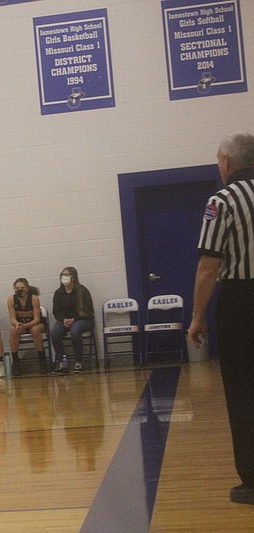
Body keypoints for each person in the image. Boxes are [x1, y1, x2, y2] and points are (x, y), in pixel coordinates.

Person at [188, 132, 254, 506]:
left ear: (227, 162)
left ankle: (252, 480)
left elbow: (208, 269)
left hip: (242, 302)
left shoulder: (223, 200)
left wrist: (198, 317)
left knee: (243, 391)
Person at [49, 266, 94, 375]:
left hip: (83, 319)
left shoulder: (82, 291)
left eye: (66, 275)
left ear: (73, 277)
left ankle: (78, 362)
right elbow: (56, 311)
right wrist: (63, 319)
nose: (64, 277)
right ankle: (62, 362)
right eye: (62, 275)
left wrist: (74, 319)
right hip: (64, 320)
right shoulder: (58, 293)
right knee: (54, 332)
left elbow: (88, 311)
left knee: (75, 331)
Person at [6, 278, 48, 375]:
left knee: (35, 329)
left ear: (27, 289)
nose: (20, 290)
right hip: (21, 324)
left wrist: (25, 325)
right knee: (13, 330)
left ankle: (42, 358)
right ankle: (15, 360)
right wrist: (17, 324)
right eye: (17, 288)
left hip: (35, 323)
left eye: (22, 287)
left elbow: (37, 319)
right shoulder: (11, 299)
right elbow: (12, 319)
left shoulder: (34, 298)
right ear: (14, 289)